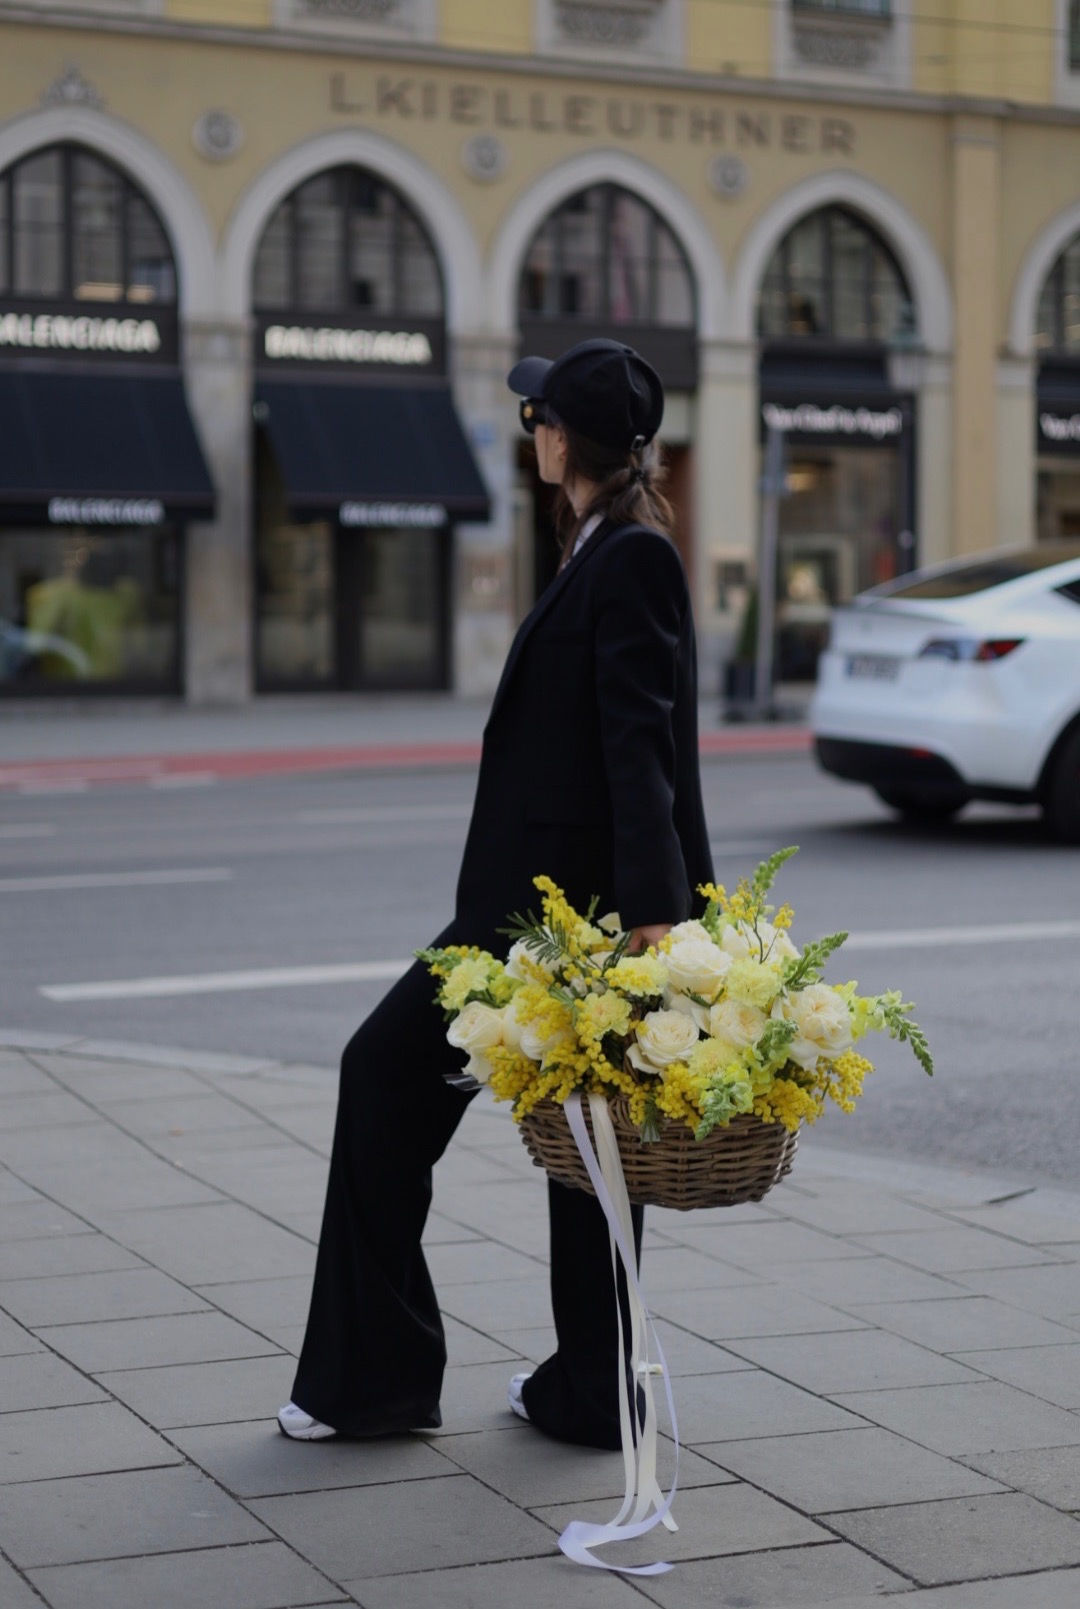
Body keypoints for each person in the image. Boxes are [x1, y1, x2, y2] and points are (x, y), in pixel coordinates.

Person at [278, 337, 713, 1451]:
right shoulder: (604, 544)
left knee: (395, 1085)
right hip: (535, 916)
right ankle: (582, 1393)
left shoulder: (631, 559)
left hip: (557, 927)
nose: (532, 432)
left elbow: (641, 753)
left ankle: (383, 1380)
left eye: (537, 418)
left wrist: (656, 932)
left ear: (565, 438)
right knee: (584, 1153)